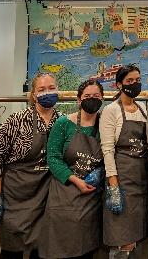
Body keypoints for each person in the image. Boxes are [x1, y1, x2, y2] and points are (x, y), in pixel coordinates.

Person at [0, 73, 60, 259]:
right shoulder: (16, 120)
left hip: (48, 198)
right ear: (33, 95)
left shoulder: (63, 122)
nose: (47, 92)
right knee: (12, 250)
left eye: (51, 88)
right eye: (41, 89)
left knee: (43, 250)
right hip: (16, 197)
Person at [40, 79, 105, 259]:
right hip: (64, 196)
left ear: (102, 99)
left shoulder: (105, 124)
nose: (92, 99)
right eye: (87, 96)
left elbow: (110, 155)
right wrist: (75, 180)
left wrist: (101, 172)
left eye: (96, 96)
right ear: (78, 100)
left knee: (86, 249)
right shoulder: (63, 123)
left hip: (91, 199)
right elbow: (53, 158)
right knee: (61, 249)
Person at [100, 65, 148, 259]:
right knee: (122, 242)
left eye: (138, 80)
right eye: (130, 81)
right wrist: (113, 187)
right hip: (121, 184)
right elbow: (107, 150)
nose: (135, 84)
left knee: (136, 240)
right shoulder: (111, 111)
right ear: (119, 84)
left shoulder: (143, 109)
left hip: (142, 183)